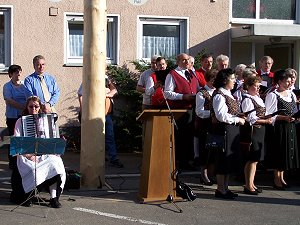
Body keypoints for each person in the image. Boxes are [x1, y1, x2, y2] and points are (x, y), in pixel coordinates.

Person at [10, 96, 66, 208]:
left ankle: (54, 198)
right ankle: (28, 195)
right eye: (31, 106)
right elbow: (17, 143)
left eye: (36, 106)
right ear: (27, 107)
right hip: (26, 155)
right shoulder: (20, 122)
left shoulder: (48, 121)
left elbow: (53, 140)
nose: (33, 109)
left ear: (40, 107)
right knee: (31, 168)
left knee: (56, 163)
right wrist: (29, 155)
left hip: (45, 154)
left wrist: (60, 143)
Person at [211, 68, 245, 199]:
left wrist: (240, 116)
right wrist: (237, 119)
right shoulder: (219, 94)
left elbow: (230, 112)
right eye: (232, 78)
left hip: (231, 129)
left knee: (228, 160)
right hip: (223, 130)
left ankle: (225, 187)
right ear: (225, 80)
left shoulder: (228, 93)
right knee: (222, 159)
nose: (234, 81)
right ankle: (220, 189)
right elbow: (221, 116)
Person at [78, 75, 123, 168]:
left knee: (109, 137)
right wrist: (83, 111)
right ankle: (95, 158)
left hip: (107, 115)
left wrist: (107, 94)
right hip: (95, 115)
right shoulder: (89, 77)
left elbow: (115, 91)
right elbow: (80, 94)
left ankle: (113, 158)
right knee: (94, 137)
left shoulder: (106, 79)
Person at [265, 69, 299, 190]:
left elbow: (294, 110)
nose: (289, 84)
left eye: (290, 81)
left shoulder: (291, 94)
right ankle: (276, 179)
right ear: (279, 82)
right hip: (279, 128)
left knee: (286, 153)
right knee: (279, 152)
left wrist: (295, 117)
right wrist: (283, 117)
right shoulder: (273, 95)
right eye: (287, 82)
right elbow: (269, 114)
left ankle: (282, 177)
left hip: (290, 126)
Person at [164, 53, 199, 170]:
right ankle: (178, 161)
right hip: (179, 109)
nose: (186, 62)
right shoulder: (172, 75)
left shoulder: (192, 73)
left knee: (189, 135)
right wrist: (183, 97)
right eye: (183, 60)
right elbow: (167, 93)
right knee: (180, 136)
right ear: (178, 61)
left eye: (188, 60)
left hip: (191, 108)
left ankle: (188, 161)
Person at [240, 76, 273, 195]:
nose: (258, 87)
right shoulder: (248, 99)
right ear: (248, 86)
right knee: (252, 159)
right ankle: (248, 185)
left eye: (259, 85)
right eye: (255, 85)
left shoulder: (257, 98)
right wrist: (266, 121)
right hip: (253, 131)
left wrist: (267, 118)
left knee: (256, 159)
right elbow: (251, 119)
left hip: (260, 130)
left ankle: (252, 183)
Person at [3, 65, 30, 169]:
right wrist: (23, 107)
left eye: (19, 72)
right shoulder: (7, 86)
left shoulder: (24, 85)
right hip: (13, 117)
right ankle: (13, 163)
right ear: (10, 74)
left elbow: (29, 97)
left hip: (24, 116)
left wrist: (27, 109)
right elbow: (9, 101)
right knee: (14, 139)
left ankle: (24, 161)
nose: (18, 74)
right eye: (15, 72)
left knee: (25, 138)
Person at [195, 69, 217, 185]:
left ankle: (211, 173)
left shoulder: (218, 92)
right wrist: (213, 114)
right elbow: (199, 112)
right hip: (205, 125)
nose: (215, 82)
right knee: (205, 150)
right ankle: (203, 175)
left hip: (215, 125)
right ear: (208, 80)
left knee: (214, 150)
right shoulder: (201, 93)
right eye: (213, 80)